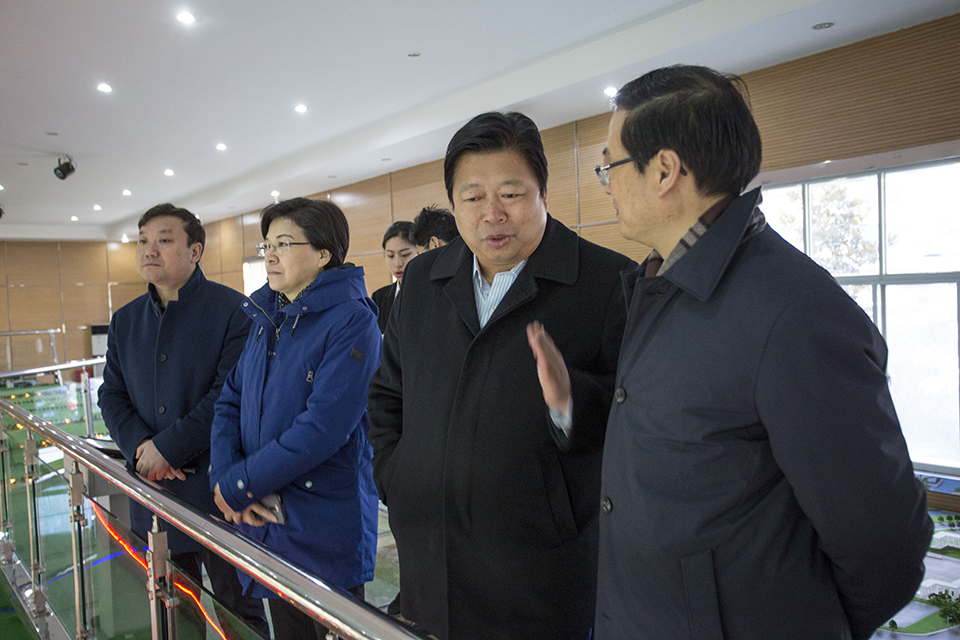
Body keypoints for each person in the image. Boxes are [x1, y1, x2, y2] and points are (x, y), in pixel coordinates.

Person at [528, 65, 933, 640]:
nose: (605, 184)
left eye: (609, 166)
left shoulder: (792, 313)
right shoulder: (660, 283)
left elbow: (885, 543)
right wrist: (572, 401)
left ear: (664, 171)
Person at [368, 111, 634, 640]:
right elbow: (387, 394)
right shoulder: (422, 279)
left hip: (540, 569)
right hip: (429, 553)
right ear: (454, 204)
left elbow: (635, 419)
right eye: (472, 198)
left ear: (542, 192)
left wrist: (569, 403)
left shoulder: (608, 281)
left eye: (511, 194)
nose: (492, 214)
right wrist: (400, 479)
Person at [210, 197, 381, 640]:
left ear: (323, 254)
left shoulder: (352, 321)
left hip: (321, 524)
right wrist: (227, 477)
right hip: (264, 517)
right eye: (266, 245)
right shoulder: (269, 316)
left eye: (283, 244)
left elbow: (322, 429)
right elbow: (230, 401)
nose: (269, 255)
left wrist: (240, 485)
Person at [98, 203, 265, 633]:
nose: (149, 250)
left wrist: (168, 449)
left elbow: (228, 396)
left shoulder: (234, 310)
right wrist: (141, 448)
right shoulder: (125, 320)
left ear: (195, 251)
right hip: (154, 494)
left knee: (238, 614)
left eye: (164, 240)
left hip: (218, 493)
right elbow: (111, 395)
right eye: (143, 241)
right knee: (172, 615)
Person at [371, 221, 417, 333]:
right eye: (390, 256)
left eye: (405, 255)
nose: (397, 264)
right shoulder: (379, 298)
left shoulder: (435, 292)